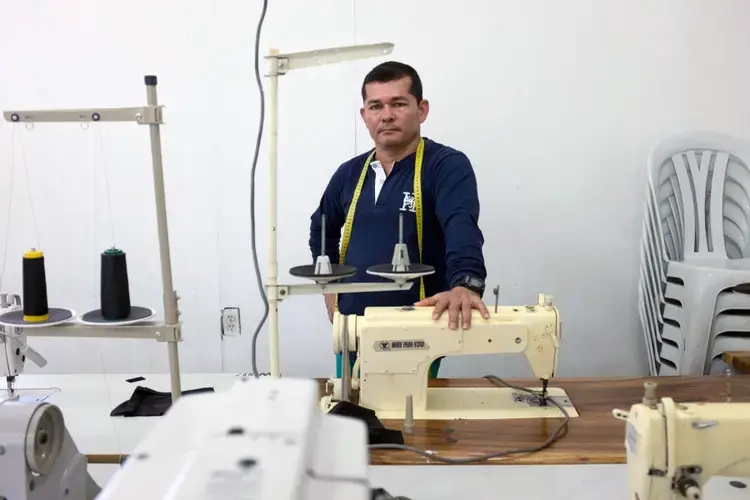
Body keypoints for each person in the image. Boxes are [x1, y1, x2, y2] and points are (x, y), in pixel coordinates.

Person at [308, 61, 489, 378]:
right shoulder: (349, 174)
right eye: (375, 106)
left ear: (422, 110)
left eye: (398, 103)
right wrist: (329, 283)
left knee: (414, 420)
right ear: (364, 116)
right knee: (354, 417)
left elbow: (461, 226)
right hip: (353, 329)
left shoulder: (446, 166)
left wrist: (465, 284)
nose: (386, 115)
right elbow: (321, 228)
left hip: (418, 331)